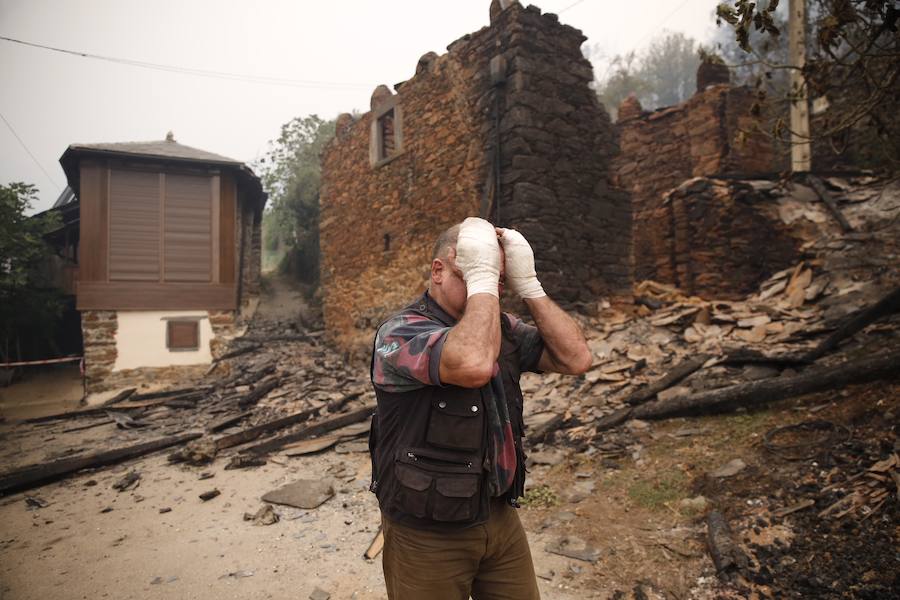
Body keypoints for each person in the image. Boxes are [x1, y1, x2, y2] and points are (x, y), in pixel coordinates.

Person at [369, 216, 592, 600]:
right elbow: (471, 363)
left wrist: (530, 287)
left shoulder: (500, 328)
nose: (485, 287)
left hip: (498, 516)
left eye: (492, 279)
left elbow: (576, 359)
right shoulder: (400, 332)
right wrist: (485, 279)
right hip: (427, 529)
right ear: (438, 271)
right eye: (469, 273)